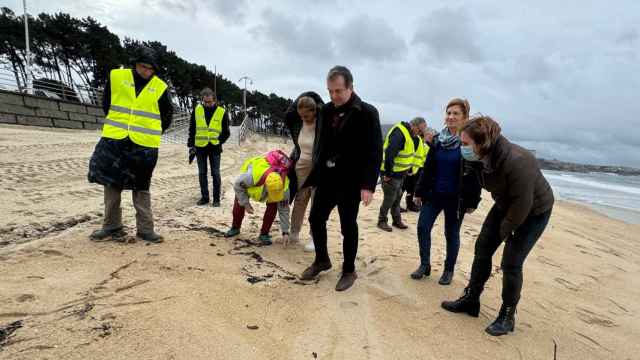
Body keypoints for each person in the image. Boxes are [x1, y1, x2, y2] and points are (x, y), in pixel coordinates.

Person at [441, 115, 554, 336]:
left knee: (511, 262)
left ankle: (507, 315)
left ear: (482, 143)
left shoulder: (519, 161)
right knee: (482, 248)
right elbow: (470, 181)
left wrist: (506, 232)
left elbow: (523, 204)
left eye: (465, 144)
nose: (461, 148)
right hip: (504, 202)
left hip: (533, 211)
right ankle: (471, 299)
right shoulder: (474, 155)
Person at [299, 65, 383, 292]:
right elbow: (321, 143)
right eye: (330, 91)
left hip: (351, 180)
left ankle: (348, 270)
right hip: (327, 177)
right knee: (316, 219)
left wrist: (368, 185)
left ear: (350, 87)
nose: (334, 96)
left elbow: (375, 151)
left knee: (348, 226)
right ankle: (322, 259)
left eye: (338, 91)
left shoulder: (367, 112)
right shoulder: (325, 111)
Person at [88, 46, 173, 243]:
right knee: (111, 184)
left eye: (151, 69)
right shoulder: (117, 77)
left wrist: (149, 132)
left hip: (144, 145)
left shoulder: (160, 87)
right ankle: (111, 226)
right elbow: (107, 103)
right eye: (143, 67)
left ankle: (145, 229)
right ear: (135, 64)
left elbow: (166, 116)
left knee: (141, 187)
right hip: (115, 139)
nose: (146, 71)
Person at [412, 99, 481, 285]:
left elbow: (476, 174)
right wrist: (418, 191)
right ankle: (424, 265)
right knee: (422, 227)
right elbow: (428, 168)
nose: (450, 117)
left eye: (455, 114)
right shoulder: (438, 140)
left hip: (456, 198)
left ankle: (448, 270)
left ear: (464, 117)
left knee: (451, 234)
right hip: (434, 194)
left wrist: (473, 201)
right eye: (449, 113)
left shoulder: (468, 142)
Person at [284, 92, 324, 251]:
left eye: (307, 116)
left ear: (315, 111)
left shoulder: (323, 122)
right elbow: (288, 114)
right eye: (301, 115)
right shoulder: (297, 123)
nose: (304, 119)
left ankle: (314, 238)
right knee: (300, 200)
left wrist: (314, 98)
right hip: (300, 168)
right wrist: (303, 97)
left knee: (317, 204)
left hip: (319, 169)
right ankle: (294, 232)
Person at [224, 151, 291, 246]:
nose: (273, 196)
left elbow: (284, 210)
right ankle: (235, 228)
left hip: (267, 181)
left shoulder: (284, 188)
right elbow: (237, 185)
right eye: (271, 193)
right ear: (266, 187)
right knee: (239, 202)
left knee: (273, 205)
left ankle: (264, 234)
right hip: (250, 181)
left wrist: (285, 232)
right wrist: (246, 204)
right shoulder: (251, 177)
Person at [377, 117, 427, 232]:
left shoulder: (410, 135)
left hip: (400, 174)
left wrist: (409, 169)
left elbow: (406, 154)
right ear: (413, 125)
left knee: (398, 196)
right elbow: (390, 153)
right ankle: (382, 220)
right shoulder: (400, 133)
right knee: (390, 198)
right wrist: (388, 173)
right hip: (390, 173)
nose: (420, 134)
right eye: (419, 130)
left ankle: (396, 220)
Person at [187, 87, 231, 207]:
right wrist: (191, 145)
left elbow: (226, 132)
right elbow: (192, 129)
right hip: (200, 147)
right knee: (202, 173)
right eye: (205, 102)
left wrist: (219, 141)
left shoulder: (222, 112)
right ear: (202, 100)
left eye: (209, 102)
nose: (207, 104)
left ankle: (216, 199)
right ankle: (205, 198)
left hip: (215, 147)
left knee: (215, 173)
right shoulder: (197, 110)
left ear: (214, 100)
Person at [401, 129, 433, 213]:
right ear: (426, 136)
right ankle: (399, 205)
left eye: (431, 136)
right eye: (429, 136)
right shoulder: (423, 144)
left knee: (411, 188)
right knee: (405, 187)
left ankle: (410, 204)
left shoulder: (427, 145)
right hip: (415, 169)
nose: (431, 137)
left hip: (419, 169)